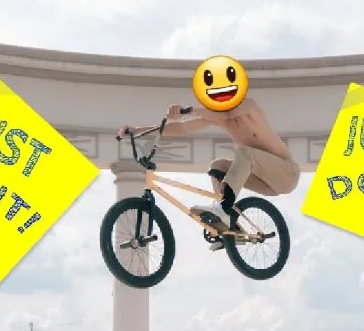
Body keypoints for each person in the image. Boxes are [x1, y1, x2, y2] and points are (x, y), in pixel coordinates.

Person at [118, 98, 300, 250]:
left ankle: (222, 209)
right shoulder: (219, 118)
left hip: (286, 174)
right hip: (263, 179)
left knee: (246, 152)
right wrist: (137, 131)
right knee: (218, 166)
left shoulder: (249, 106)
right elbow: (180, 129)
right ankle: (228, 229)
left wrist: (188, 110)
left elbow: (228, 113)